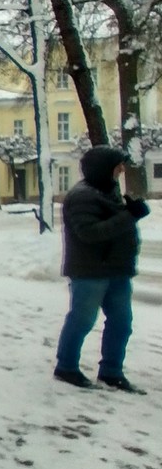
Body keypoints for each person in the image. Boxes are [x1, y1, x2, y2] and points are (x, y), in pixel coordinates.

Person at [54, 145, 150, 393]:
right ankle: (66, 366)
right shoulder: (81, 196)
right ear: (103, 169)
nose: (121, 170)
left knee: (121, 322)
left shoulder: (108, 191)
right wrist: (129, 216)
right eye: (117, 166)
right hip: (89, 272)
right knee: (82, 319)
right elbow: (90, 233)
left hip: (116, 270)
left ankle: (111, 372)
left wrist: (127, 211)